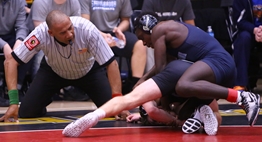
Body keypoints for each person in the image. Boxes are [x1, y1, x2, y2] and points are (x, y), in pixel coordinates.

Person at [62, 13, 260, 137]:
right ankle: (199, 112)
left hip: (217, 63)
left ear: (148, 29)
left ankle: (242, 96)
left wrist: (142, 84)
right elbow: (162, 71)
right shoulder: (173, 41)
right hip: (213, 73)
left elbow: (161, 68)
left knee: (182, 86)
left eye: (142, 38)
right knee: (186, 107)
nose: (144, 43)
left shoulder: (160, 31)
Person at [0, 10, 125, 122]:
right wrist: (13, 102)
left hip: (89, 71)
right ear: (51, 33)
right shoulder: (39, 34)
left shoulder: (88, 29)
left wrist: (118, 101)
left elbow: (111, 63)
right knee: (26, 113)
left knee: (113, 111)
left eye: (70, 28)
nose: (70, 34)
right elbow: (11, 62)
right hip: (53, 71)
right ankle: (43, 99)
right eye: (63, 32)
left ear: (70, 21)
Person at [27, 0, 89, 101]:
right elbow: (39, 29)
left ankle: (70, 87)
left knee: (76, 50)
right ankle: (39, 90)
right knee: (40, 57)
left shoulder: (74, 2)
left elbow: (77, 24)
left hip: (65, 36)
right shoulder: (40, 2)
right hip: (40, 38)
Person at [79, 0, 147, 90]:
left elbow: (125, 20)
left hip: (114, 33)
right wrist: (101, 35)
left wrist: (119, 29)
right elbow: (85, 22)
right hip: (92, 33)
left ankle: (135, 86)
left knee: (140, 44)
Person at [126, 96, 221, 135]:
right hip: (200, 95)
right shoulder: (180, 113)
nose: (161, 121)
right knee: (215, 121)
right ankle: (200, 117)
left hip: (194, 85)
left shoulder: (154, 96)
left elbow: (151, 110)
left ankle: (199, 117)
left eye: (157, 119)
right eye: (159, 122)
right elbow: (216, 113)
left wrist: (177, 122)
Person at [0, 0, 29, 107]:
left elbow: (22, 26)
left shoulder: (20, 2)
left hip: (11, 35)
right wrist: (4, 45)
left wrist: (19, 41)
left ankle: (17, 88)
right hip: (2, 41)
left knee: (27, 48)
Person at [232, 0, 262, 91]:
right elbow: (239, 21)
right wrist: (255, 30)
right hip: (249, 31)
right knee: (243, 38)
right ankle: (240, 84)